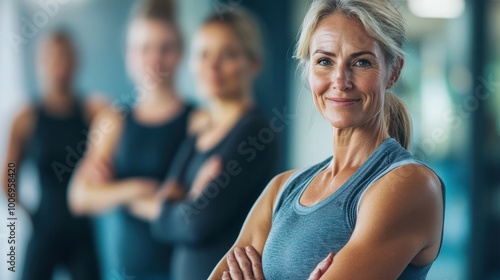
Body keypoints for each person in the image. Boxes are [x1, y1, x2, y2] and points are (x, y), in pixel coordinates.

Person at [209, 0, 446, 279]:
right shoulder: (281, 190)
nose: (340, 80)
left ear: (393, 71)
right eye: (324, 61)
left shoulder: (409, 185)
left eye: (361, 62)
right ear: (308, 71)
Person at [128, 9, 280, 280]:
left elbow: (194, 223)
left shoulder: (253, 132)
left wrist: (183, 204)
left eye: (228, 54)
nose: (212, 65)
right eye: (203, 54)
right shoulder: (200, 128)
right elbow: (169, 199)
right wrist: (185, 202)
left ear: (253, 63)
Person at [68, 0, 191, 278]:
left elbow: (195, 205)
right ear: (128, 55)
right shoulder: (113, 121)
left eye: (165, 48)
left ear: (180, 52)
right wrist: (139, 188)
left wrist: (113, 191)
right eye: (144, 48)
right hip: (124, 271)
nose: (154, 59)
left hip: (183, 269)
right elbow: (79, 196)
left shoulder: (198, 120)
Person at [2, 31, 104, 280]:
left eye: (64, 58)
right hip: (44, 227)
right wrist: (28, 212)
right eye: (51, 59)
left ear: (75, 61)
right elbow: (9, 177)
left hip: (82, 231)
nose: (58, 66)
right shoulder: (25, 118)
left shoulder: (92, 113)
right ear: (39, 63)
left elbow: (106, 163)